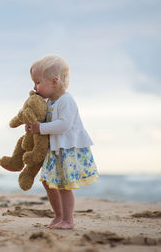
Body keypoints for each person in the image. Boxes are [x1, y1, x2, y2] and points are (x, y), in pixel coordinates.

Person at [26, 55, 99, 230]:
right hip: (55, 149)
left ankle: (68, 219)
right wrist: (33, 127)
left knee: (64, 185)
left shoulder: (67, 100)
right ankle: (58, 216)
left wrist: (40, 128)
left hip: (67, 149)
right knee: (48, 182)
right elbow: (46, 122)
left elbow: (64, 125)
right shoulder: (50, 102)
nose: (34, 87)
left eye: (37, 82)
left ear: (54, 81)